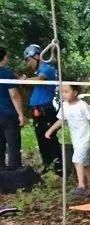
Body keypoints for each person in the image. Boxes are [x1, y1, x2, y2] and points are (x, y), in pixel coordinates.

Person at [46, 83, 90, 197]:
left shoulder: (82, 105)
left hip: (85, 139)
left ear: (74, 93)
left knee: (77, 160)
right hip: (76, 139)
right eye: (62, 92)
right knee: (84, 163)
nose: (63, 94)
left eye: (66, 91)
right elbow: (61, 120)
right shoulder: (64, 106)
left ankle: (81, 186)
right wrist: (50, 130)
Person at [23, 44, 62, 173]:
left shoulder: (47, 69)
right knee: (41, 140)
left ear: (38, 57)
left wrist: (26, 80)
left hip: (46, 111)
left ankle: (58, 168)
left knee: (49, 138)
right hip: (38, 111)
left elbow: (39, 80)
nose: (28, 64)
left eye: (29, 60)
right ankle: (48, 166)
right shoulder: (38, 72)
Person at [0, 47, 26, 171]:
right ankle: (14, 172)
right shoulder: (6, 74)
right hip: (8, 114)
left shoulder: (10, 74)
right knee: (13, 145)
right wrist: (21, 114)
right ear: (4, 58)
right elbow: (14, 95)